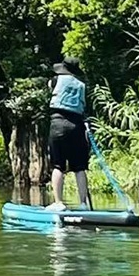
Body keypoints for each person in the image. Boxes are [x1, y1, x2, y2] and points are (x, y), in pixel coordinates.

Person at [47, 56, 91, 211]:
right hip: (77, 125)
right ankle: (83, 204)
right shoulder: (82, 85)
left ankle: (58, 203)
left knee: (58, 165)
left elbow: (51, 91)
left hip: (58, 123)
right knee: (79, 167)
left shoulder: (54, 80)